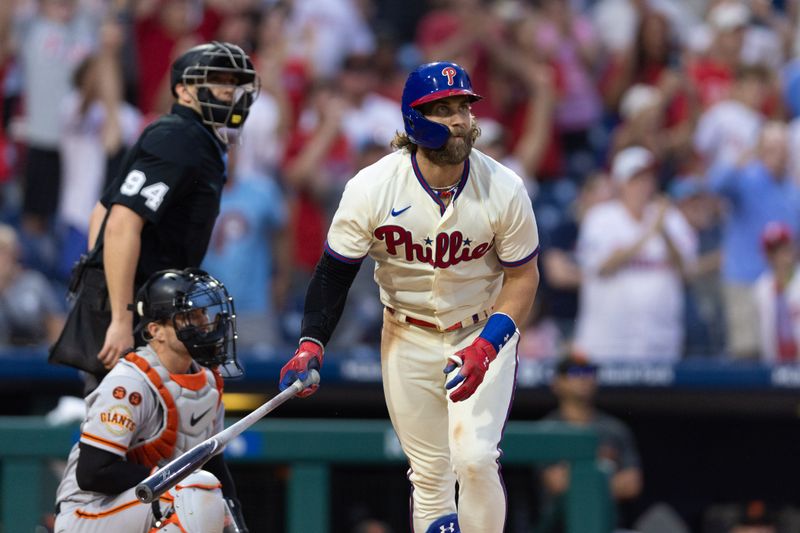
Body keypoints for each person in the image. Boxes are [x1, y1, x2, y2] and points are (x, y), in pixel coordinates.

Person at [278, 61, 541, 533]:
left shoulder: (505, 186)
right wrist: (310, 341)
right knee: (430, 476)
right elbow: (333, 274)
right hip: (406, 332)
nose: (460, 119)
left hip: (481, 329)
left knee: (476, 457)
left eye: (463, 107)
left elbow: (523, 278)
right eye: (444, 109)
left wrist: (489, 343)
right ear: (416, 120)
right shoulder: (372, 187)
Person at [83, 41, 259, 375]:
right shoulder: (178, 137)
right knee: (129, 418)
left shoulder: (196, 138)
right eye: (219, 80)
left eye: (235, 83)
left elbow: (100, 212)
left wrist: (101, 293)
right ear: (184, 90)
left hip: (152, 309)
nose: (230, 91)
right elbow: (120, 223)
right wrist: (118, 315)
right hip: (141, 318)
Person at [53, 268, 247, 532]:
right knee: (192, 493)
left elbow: (214, 465)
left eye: (202, 313)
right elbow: (92, 472)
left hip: (143, 504)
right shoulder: (131, 382)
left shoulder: (208, 384)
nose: (203, 321)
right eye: (189, 316)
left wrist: (236, 522)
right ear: (157, 331)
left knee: (206, 493)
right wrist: (172, 478)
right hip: (89, 513)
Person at [573, 146, 697, 363]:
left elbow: (687, 272)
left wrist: (664, 232)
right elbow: (602, 267)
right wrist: (648, 232)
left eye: (648, 178)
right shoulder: (601, 218)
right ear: (620, 183)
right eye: (636, 179)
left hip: (660, 342)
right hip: (607, 344)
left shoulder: (671, 218)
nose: (644, 185)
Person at [537, 354, 643, 532]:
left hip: (607, 525)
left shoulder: (614, 429)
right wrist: (604, 480)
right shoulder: (547, 429)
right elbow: (557, 484)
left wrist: (578, 480)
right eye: (574, 372)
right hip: (559, 526)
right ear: (557, 383)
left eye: (588, 372)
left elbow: (632, 484)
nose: (583, 378)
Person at [754, 222, 800, 363]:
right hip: (773, 362)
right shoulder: (761, 287)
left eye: (785, 249)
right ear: (768, 255)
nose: (781, 256)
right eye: (775, 251)